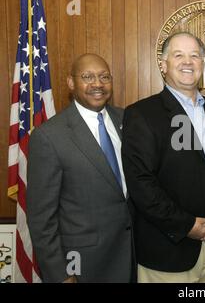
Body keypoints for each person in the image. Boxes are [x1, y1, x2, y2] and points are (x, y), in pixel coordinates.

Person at [121, 32, 205, 283]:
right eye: (179, 55)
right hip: (167, 253)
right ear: (163, 65)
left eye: (195, 56)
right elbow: (141, 184)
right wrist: (187, 226)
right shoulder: (141, 114)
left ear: (202, 64)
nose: (188, 62)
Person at [26, 53, 134, 282]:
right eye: (88, 77)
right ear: (71, 83)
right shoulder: (49, 136)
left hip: (133, 257)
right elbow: (41, 219)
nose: (98, 84)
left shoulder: (128, 120)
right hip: (83, 265)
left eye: (104, 77)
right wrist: (61, 274)